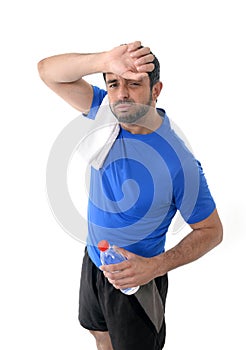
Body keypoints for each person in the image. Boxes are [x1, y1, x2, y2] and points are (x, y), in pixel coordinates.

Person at [38, 41, 223, 350]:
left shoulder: (179, 163)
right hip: (95, 259)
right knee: (99, 334)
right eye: (113, 83)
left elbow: (212, 231)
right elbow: (47, 71)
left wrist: (154, 267)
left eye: (134, 84)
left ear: (156, 89)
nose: (122, 94)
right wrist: (104, 59)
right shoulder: (104, 113)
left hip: (137, 282)